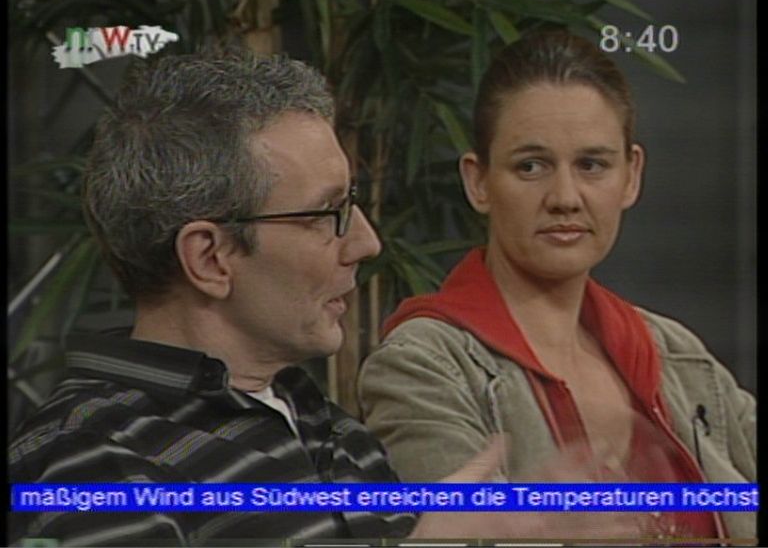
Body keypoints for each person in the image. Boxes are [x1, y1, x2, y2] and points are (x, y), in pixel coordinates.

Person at [9, 47, 641, 546]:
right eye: (326, 214)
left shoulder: (336, 434)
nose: (366, 242)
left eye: (353, 203)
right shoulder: (88, 460)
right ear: (210, 258)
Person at [357, 30, 756, 542]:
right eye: (531, 166)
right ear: (478, 182)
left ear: (631, 175)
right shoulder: (423, 366)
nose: (565, 197)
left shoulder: (676, 354)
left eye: (592, 165)